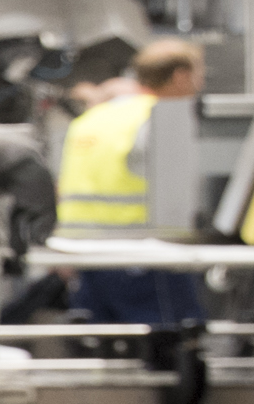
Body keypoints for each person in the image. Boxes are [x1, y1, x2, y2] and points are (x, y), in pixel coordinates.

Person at [57, 35, 207, 330]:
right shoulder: (159, 118)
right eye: (199, 75)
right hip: (145, 257)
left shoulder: (91, 119)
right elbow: (181, 197)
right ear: (181, 75)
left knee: (103, 347)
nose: (200, 85)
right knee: (172, 344)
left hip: (85, 258)